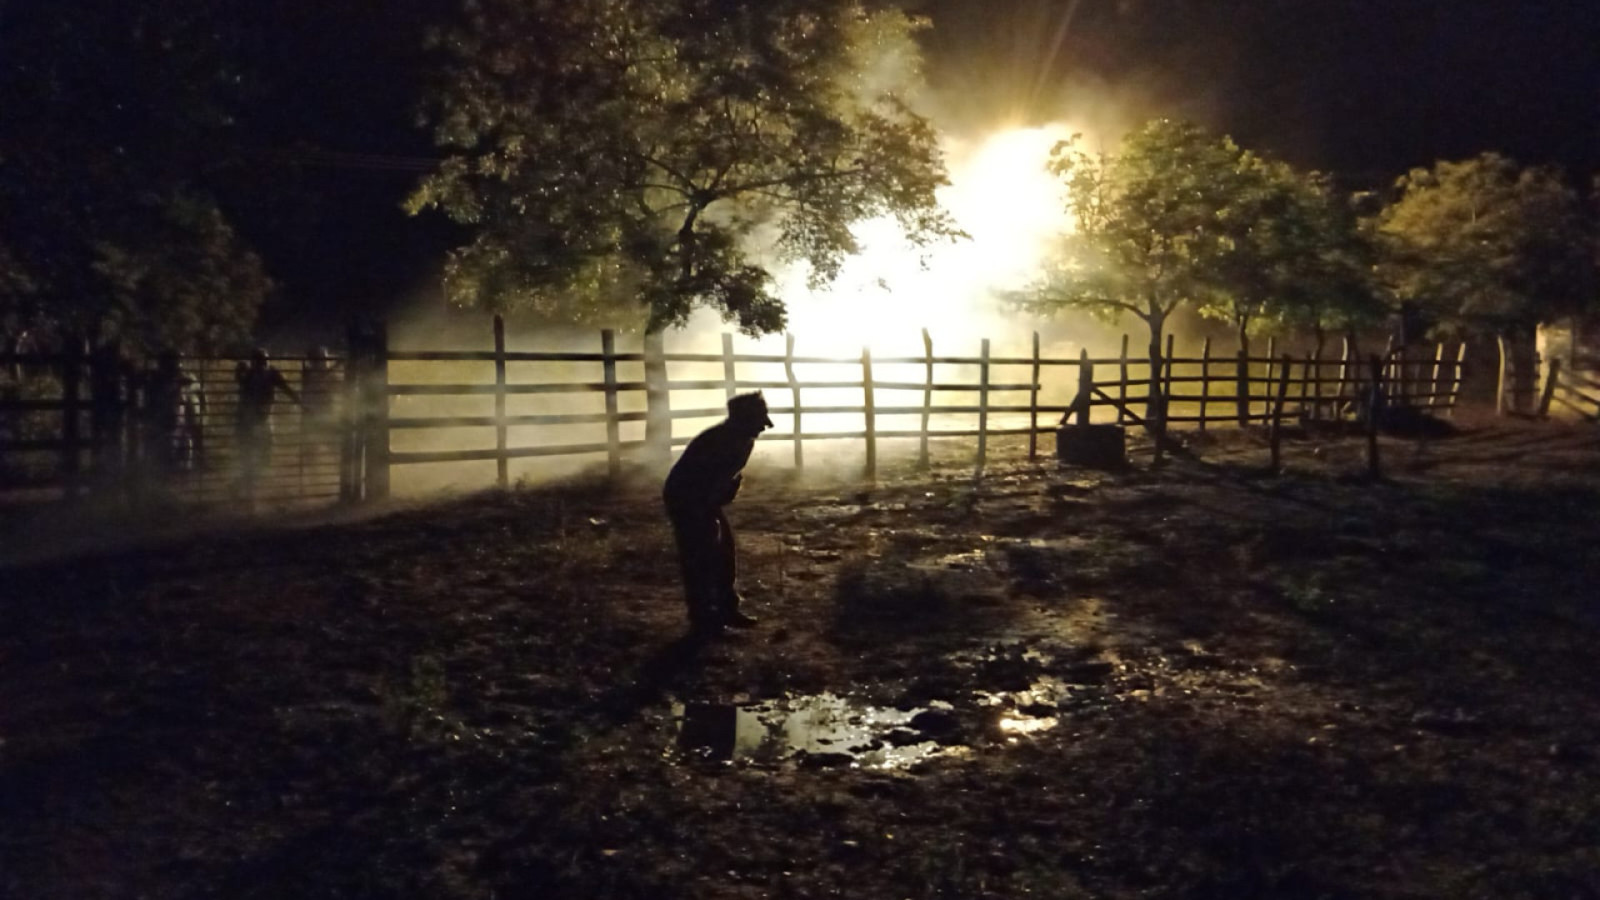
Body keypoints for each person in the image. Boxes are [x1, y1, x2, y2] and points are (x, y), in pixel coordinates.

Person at [663, 391, 774, 636]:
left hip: (704, 498)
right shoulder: (722, 441)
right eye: (759, 420)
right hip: (686, 498)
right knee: (701, 556)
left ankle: (724, 609)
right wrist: (714, 501)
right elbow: (703, 481)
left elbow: (720, 479)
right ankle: (704, 617)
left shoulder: (741, 439)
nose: (765, 427)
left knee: (723, 551)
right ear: (744, 419)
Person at [234, 347, 300, 501]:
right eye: (259, 361)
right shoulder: (251, 375)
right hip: (250, 421)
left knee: (264, 456)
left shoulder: (271, 373)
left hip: (262, 420)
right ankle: (247, 492)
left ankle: (240, 486)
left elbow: (285, 387)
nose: (262, 364)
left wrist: (297, 400)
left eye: (264, 360)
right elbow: (240, 382)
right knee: (249, 457)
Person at [143, 349, 206, 475]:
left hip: (177, 419)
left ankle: (183, 467)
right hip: (165, 420)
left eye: (174, 362)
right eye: (169, 362)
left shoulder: (185, 380)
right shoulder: (157, 381)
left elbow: (198, 393)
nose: (173, 366)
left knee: (182, 441)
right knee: (168, 444)